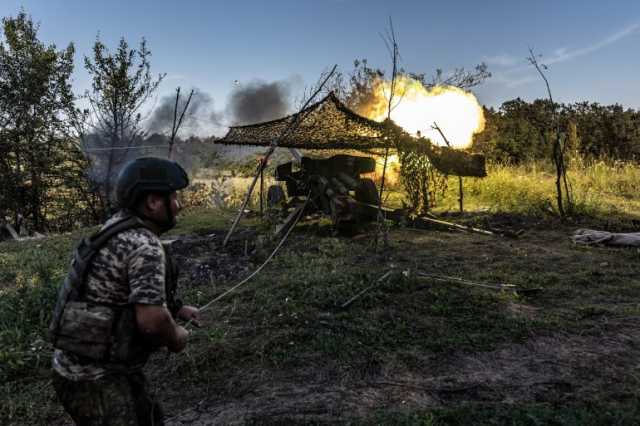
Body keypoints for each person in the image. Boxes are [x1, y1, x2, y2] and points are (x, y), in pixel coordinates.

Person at [50, 157, 201, 426]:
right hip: (98, 380)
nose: (179, 205)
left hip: (72, 370)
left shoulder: (116, 226)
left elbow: (112, 289)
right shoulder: (145, 245)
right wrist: (177, 336)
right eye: (174, 197)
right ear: (153, 202)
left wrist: (177, 309)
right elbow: (153, 323)